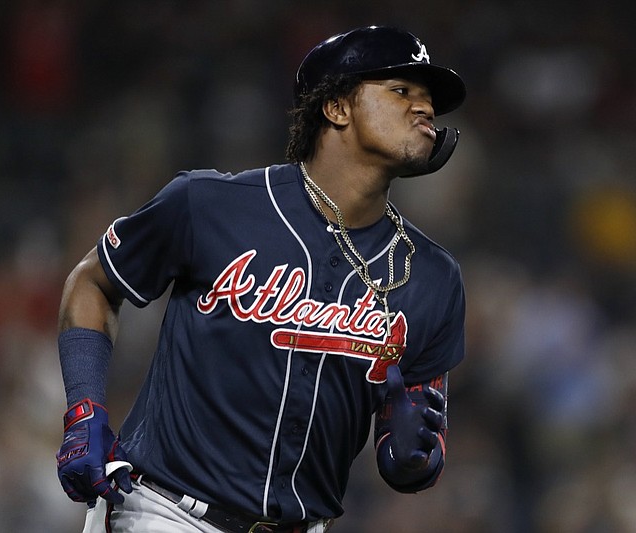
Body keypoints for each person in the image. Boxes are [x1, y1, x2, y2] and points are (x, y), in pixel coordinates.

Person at [55, 25, 467, 533]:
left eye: (429, 100)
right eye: (402, 91)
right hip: (167, 513)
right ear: (336, 108)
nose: (424, 109)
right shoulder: (209, 205)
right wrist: (85, 408)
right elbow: (92, 284)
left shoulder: (431, 276)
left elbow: (415, 436)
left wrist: (414, 457)